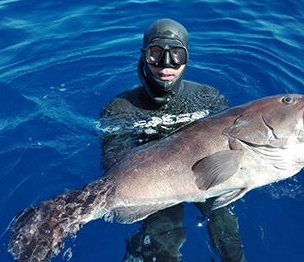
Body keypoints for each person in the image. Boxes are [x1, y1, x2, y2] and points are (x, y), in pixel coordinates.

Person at [99, 18, 246, 262]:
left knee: (226, 232)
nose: (166, 64)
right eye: (156, 53)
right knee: (162, 237)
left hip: (207, 174)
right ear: (144, 55)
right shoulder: (121, 108)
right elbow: (113, 163)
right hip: (155, 183)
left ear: (187, 56)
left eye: (176, 54)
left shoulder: (208, 98)